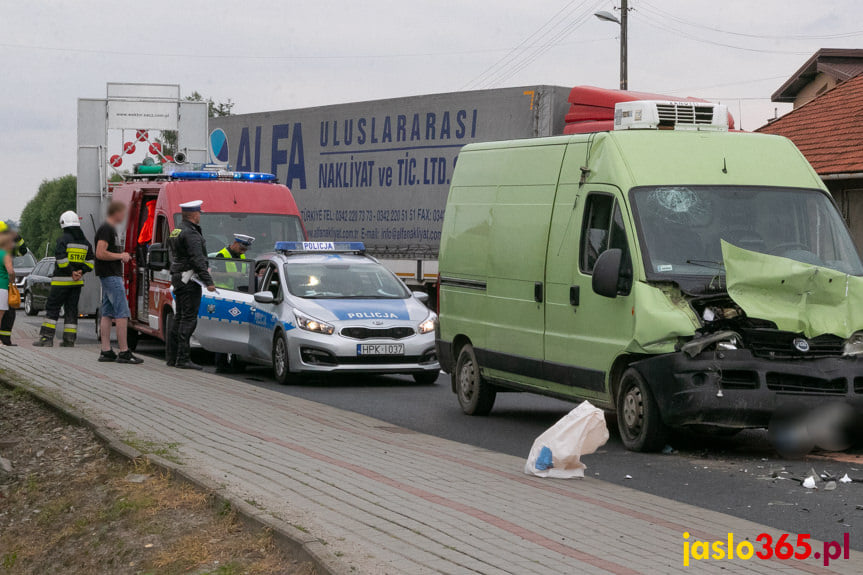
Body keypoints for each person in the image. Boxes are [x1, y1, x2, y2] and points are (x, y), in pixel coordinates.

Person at [33, 211, 94, 347]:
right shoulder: (85, 243)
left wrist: (71, 272)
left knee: (53, 308)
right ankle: (69, 340)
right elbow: (90, 263)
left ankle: (46, 339)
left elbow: (61, 261)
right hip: (76, 283)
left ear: (64, 224)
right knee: (71, 310)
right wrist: (80, 272)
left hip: (61, 282)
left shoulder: (63, 240)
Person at [166, 200, 215, 370]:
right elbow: (197, 259)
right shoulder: (191, 234)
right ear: (194, 215)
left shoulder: (177, 230)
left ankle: (172, 357)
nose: (200, 215)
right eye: (199, 213)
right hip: (189, 279)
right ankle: (183, 358)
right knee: (188, 319)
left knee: (178, 317)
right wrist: (208, 281)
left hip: (178, 277)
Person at [95, 201, 143, 364]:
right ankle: (124, 351)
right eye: (122, 213)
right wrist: (120, 256)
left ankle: (106, 350)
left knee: (107, 313)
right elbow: (100, 253)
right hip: (111, 275)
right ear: (115, 213)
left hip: (108, 275)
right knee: (122, 313)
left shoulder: (109, 229)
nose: (124, 217)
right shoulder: (106, 229)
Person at [0, 221, 26, 346]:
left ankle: (4, 339)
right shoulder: (7, 251)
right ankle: (5, 339)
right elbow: (23, 250)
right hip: (4, 285)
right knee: (8, 313)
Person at [0, 231, 16, 344]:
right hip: (2, 287)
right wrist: (12, 279)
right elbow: (10, 271)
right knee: (0, 315)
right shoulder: (5, 255)